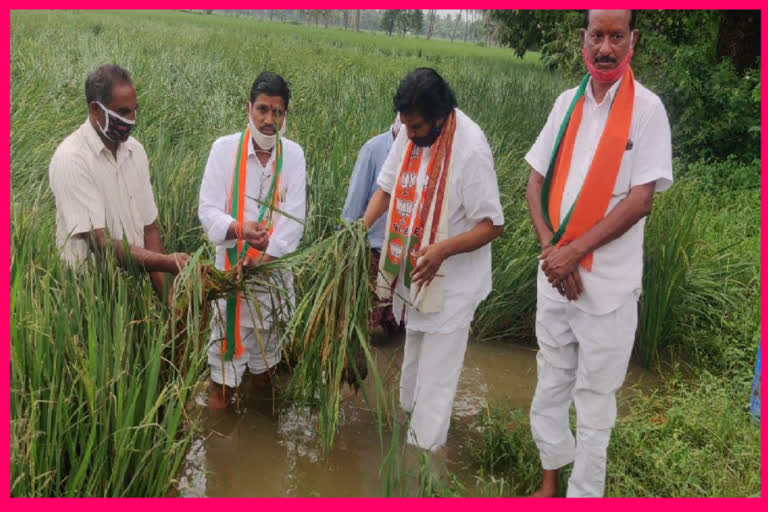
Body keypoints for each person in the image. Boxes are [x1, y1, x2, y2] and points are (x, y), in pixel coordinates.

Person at [524, 10, 673, 497]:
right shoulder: (566, 104)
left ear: (633, 40)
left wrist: (576, 253)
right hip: (556, 277)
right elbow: (535, 184)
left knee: (594, 400)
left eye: (615, 36)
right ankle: (549, 479)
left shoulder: (647, 110)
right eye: (596, 36)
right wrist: (553, 251)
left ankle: (583, 496)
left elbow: (640, 200)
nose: (604, 48)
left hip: (608, 289)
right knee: (550, 382)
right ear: (582, 40)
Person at [362, 68, 504, 451]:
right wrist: (360, 228)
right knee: (412, 376)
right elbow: (386, 187)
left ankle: (422, 464)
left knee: (437, 384)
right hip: (416, 279)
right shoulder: (409, 133)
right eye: (404, 124)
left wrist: (441, 250)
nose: (407, 133)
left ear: (440, 118)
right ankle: (410, 440)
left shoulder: (470, 148)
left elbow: (492, 225)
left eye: (416, 125)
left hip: (452, 286)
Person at [198, 71, 306, 409]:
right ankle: (221, 454)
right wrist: (239, 229)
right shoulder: (224, 149)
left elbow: (294, 220)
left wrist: (263, 259)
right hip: (231, 284)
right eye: (262, 109)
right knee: (222, 383)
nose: (269, 120)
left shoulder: (294, 156)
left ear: (285, 114)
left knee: (266, 374)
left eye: (278, 112)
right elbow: (208, 209)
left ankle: (262, 439)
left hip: (272, 285)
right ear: (248, 108)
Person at [49, 64, 189, 299]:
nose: (131, 120)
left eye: (135, 110)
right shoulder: (72, 159)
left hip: (135, 291)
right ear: (95, 109)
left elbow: (149, 229)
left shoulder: (136, 152)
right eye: (123, 112)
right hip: (90, 296)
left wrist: (168, 298)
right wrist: (166, 262)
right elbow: (99, 242)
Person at [341, 115, 403, 336]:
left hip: (404, 256)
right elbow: (353, 206)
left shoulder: (422, 153)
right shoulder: (373, 150)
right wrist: (347, 248)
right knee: (363, 324)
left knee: (398, 326)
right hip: (373, 254)